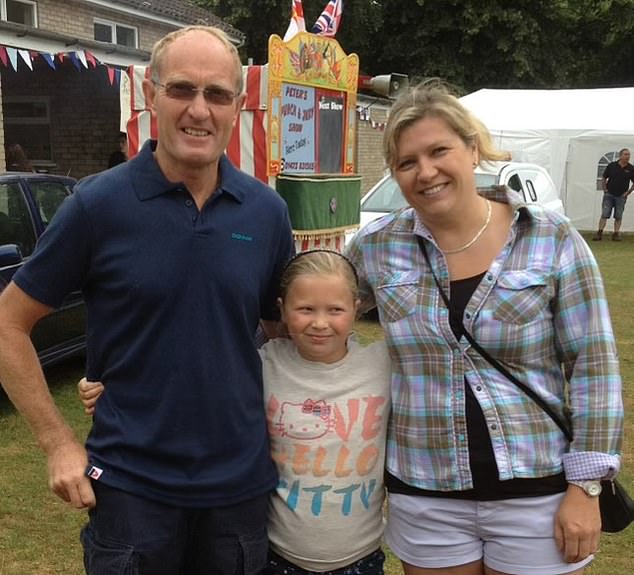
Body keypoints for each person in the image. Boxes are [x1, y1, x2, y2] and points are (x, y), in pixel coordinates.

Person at [0, 25, 294, 575]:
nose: (199, 110)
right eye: (182, 89)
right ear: (152, 95)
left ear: (238, 105)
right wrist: (58, 442)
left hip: (238, 490)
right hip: (131, 491)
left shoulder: (266, 212)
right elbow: (8, 324)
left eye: (217, 94)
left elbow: (282, 336)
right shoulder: (97, 205)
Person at [346, 80, 624, 575]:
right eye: (407, 163)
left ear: (472, 149)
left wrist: (586, 489)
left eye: (439, 151)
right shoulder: (375, 246)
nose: (425, 172)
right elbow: (317, 307)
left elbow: (594, 367)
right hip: (426, 493)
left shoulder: (549, 239)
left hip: (537, 493)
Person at [80, 249, 392, 575]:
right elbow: (189, 383)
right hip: (279, 558)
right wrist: (116, 385)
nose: (320, 322)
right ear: (282, 309)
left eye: (335, 310)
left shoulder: (382, 365)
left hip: (362, 558)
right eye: (305, 309)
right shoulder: (260, 365)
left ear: (356, 309)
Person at [592, 148, 634, 241]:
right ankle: (599, 233)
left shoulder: (631, 168)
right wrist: (605, 189)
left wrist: (628, 193)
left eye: (629, 155)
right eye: (626, 154)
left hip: (621, 196)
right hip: (609, 195)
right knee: (604, 214)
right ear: (620, 156)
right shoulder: (612, 165)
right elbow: (604, 177)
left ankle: (616, 234)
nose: (628, 156)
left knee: (618, 215)